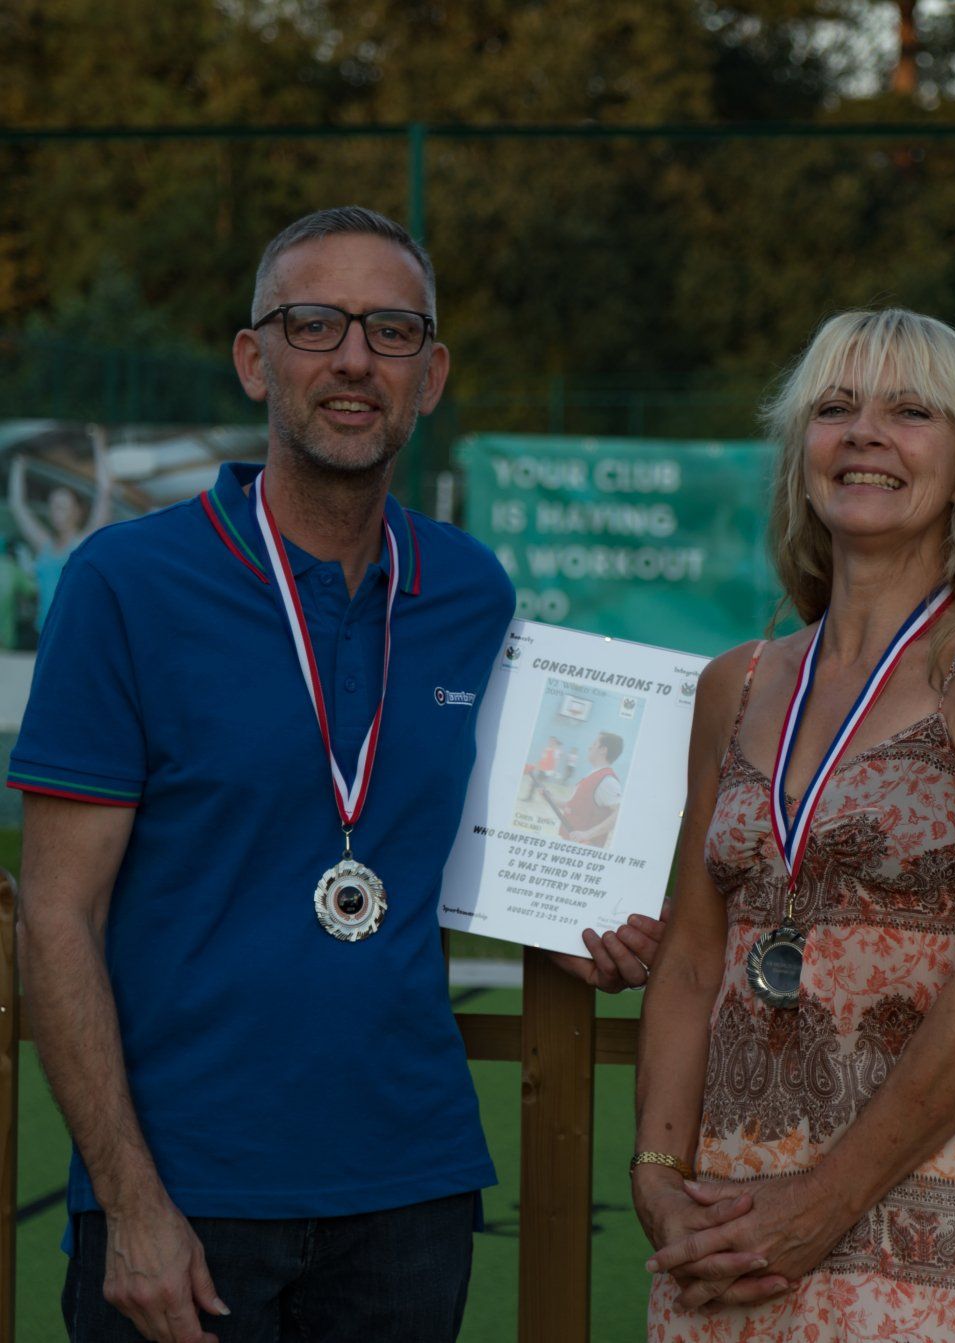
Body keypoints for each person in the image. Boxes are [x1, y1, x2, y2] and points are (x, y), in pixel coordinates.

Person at [11, 206, 660, 1343]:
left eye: (392, 330)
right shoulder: (125, 583)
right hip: (187, 1193)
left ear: (431, 374)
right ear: (254, 358)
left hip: (409, 1188)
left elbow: (468, 834)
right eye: (315, 323)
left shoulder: (472, 591)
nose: (355, 358)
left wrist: (558, 915)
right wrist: (130, 1200)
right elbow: (58, 913)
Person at [632, 308, 955, 1342]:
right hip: (725, 1224)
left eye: (911, 411)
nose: (866, 432)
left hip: (931, 1224)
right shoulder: (737, 684)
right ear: (801, 454)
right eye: (835, 408)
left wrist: (824, 1202)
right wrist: (658, 1176)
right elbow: (693, 956)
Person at [9, 423, 114, 632]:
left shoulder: (83, 542)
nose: (57, 511)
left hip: (74, 632)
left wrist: (98, 443)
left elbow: (104, 492)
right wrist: (19, 467)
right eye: (54, 506)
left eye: (63, 506)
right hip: (45, 633)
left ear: (77, 512)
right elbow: (17, 506)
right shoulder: (44, 545)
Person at [556, 729, 624, 846]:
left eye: (594, 744)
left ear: (603, 750)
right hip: (570, 842)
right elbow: (576, 807)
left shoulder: (608, 781)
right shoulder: (593, 775)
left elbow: (620, 814)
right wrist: (549, 798)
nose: (589, 747)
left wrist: (587, 834)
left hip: (585, 847)